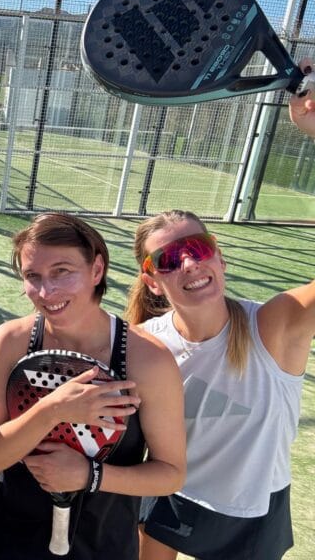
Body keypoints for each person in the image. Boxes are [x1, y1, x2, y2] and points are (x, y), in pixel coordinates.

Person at [0, 212, 186, 560]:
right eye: (32, 276)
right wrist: (54, 408)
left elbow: (171, 474)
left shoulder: (149, 360)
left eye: (62, 272)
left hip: (104, 547)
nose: (46, 291)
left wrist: (91, 475)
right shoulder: (11, 341)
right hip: (10, 543)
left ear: (96, 270)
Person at [128, 208, 312, 560]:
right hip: (172, 493)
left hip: (254, 503)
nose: (188, 263)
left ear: (219, 258)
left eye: (197, 247)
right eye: (167, 258)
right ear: (152, 280)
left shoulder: (273, 326)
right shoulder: (143, 345)